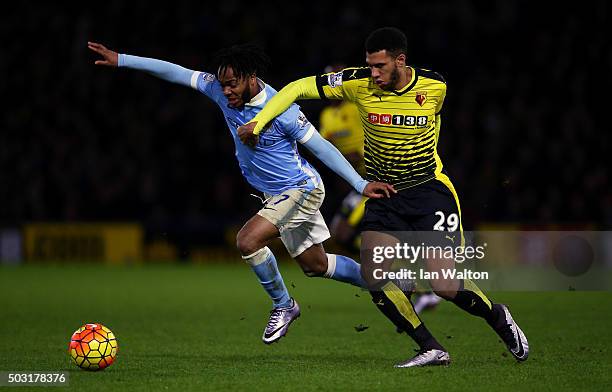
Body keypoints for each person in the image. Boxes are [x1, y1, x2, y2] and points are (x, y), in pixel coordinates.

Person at [237, 27, 529, 367]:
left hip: (428, 192)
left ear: (400, 61)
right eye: (369, 66)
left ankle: (498, 317)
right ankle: (430, 348)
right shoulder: (357, 83)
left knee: (445, 286)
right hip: (383, 193)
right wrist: (259, 121)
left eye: (380, 66)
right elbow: (297, 88)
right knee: (374, 277)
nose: (373, 74)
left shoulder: (435, 87)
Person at [88, 41, 394, 344]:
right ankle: (386, 282)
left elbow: (322, 148)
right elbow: (177, 73)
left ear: (250, 77)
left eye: (232, 84)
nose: (226, 92)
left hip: (301, 189)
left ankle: (284, 306)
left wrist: (359, 184)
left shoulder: (281, 108)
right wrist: (122, 59)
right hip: (275, 195)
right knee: (316, 265)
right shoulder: (221, 91)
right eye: (222, 85)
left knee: (247, 240)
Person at [319, 64, 442, 315]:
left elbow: (365, 144)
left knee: (349, 233)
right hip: (360, 183)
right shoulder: (326, 116)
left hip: (381, 178)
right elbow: (325, 145)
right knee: (340, 234)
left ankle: (419, 285)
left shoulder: (357, 106)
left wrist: (346, 158)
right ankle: (407, 278)